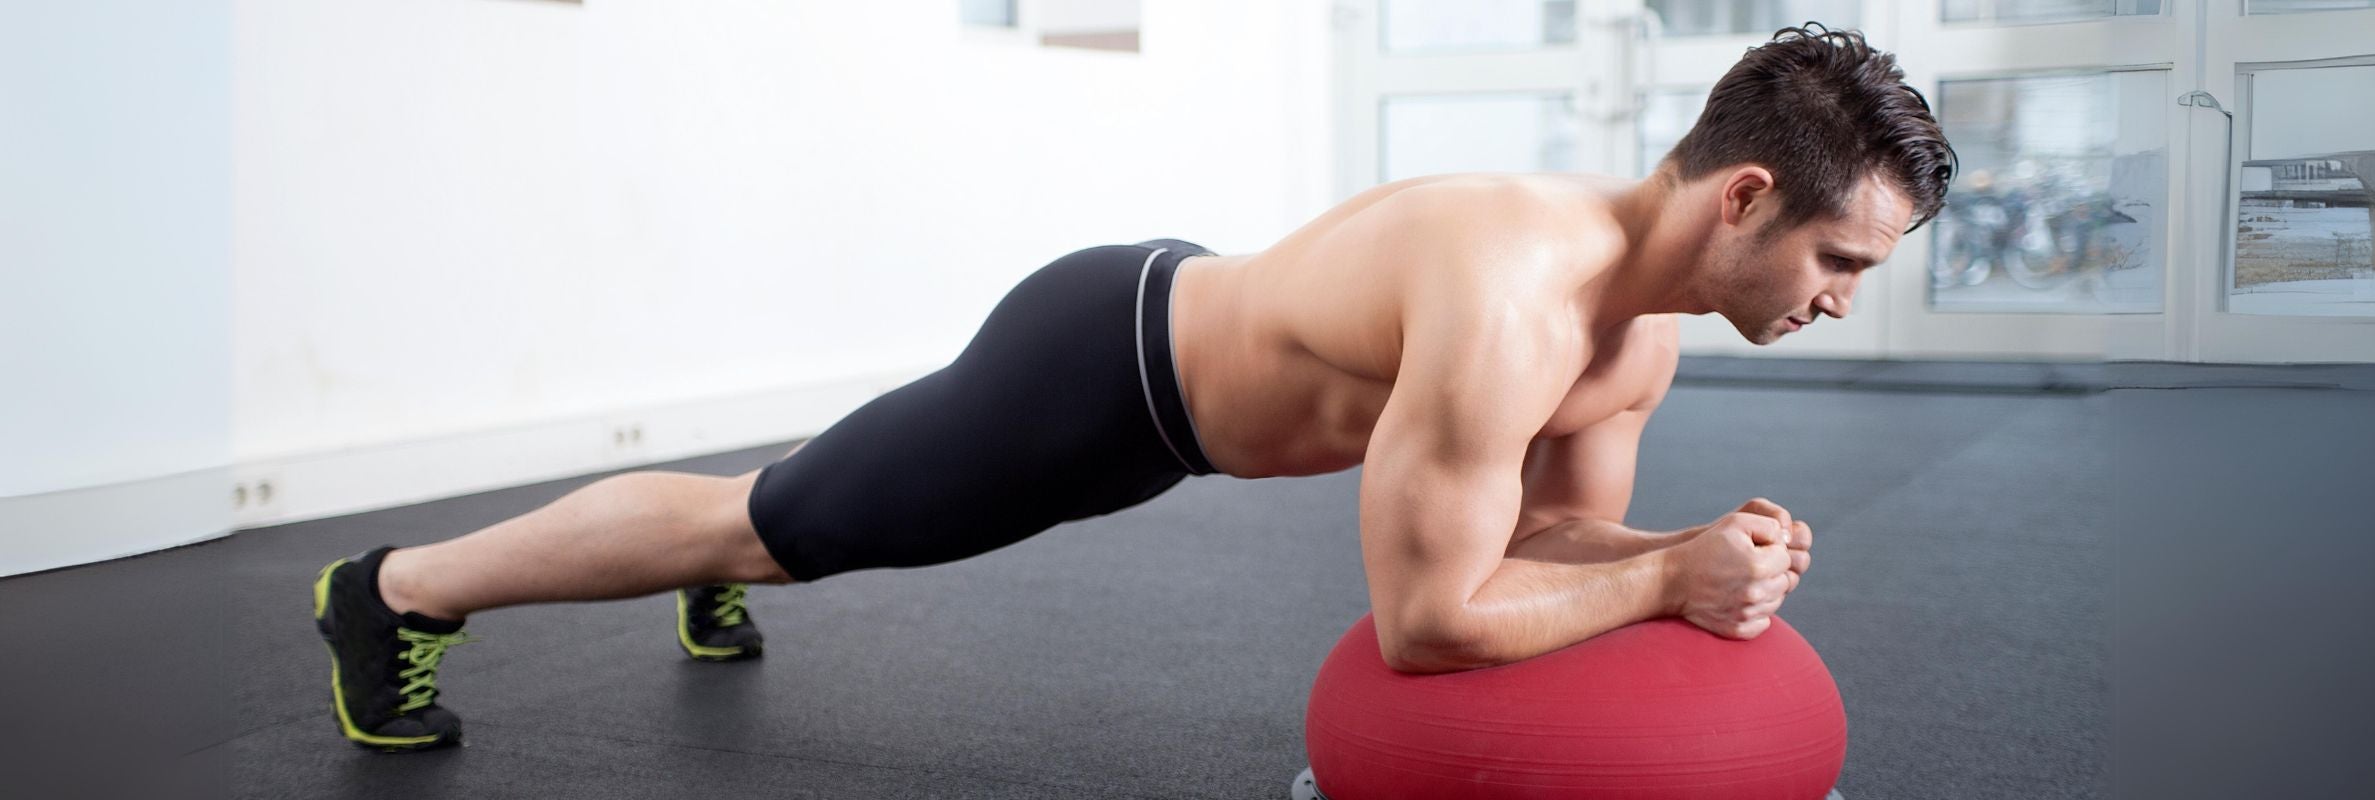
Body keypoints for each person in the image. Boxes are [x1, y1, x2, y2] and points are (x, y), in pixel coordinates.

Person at [312, 23, 1953, 752]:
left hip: (1173, 359)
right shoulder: (1513, 300)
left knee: (809, 504)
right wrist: (1670, 575)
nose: (1835, 304)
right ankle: (389, 591)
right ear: (1744, 198)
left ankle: (714, 570)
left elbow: (1536, 552)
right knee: (765, 522)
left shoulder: (1638, 331)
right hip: (1101, 377)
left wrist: (1688, 553)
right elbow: (1429, 623)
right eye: (1841, 262)